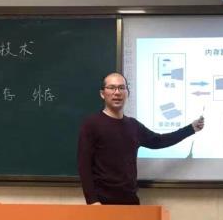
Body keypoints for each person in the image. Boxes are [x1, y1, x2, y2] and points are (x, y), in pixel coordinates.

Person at [77, 72, 204, 205]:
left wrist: (191, 129)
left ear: (127, 93)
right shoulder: (91, 124)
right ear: (102, 93)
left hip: (130, 199)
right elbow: (84, 165)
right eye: (112, 88)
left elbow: (159, 141)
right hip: (101, 202)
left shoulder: (133, 125)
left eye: (121, 88)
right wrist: (92, 200)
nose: (117, 92)